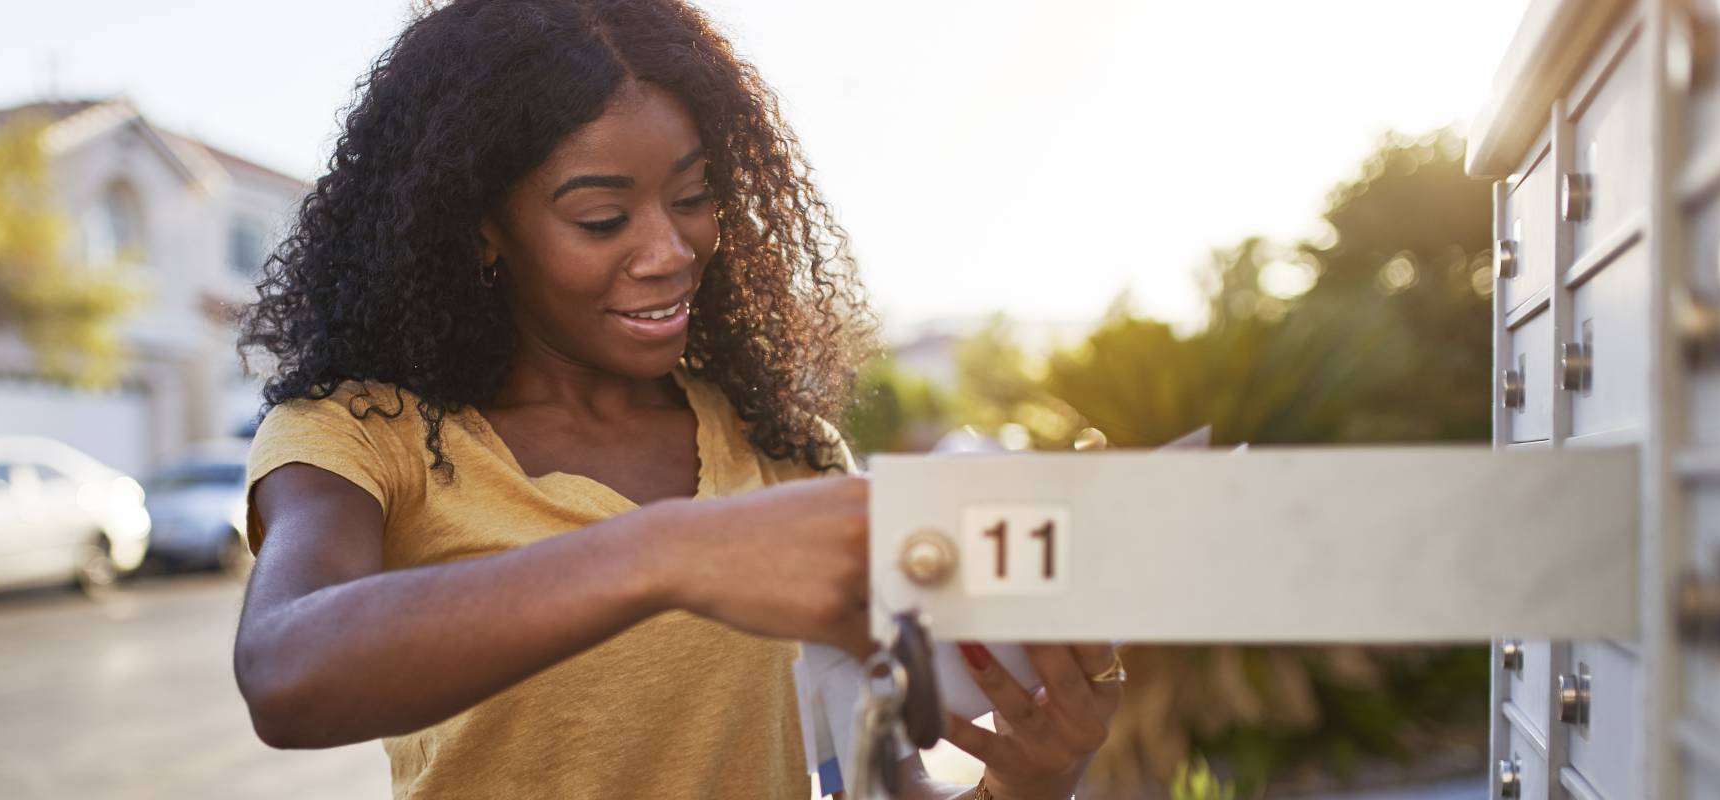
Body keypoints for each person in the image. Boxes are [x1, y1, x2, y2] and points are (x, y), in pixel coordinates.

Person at [233, 1, 1121, 797]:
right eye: (601, 219)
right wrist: (669, 552)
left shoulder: (785, 449)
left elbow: (873, 783)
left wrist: (1032, 784)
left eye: (694, 198)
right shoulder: (365, 435)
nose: (671, 250)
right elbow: (286, 674)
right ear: (481, 229)